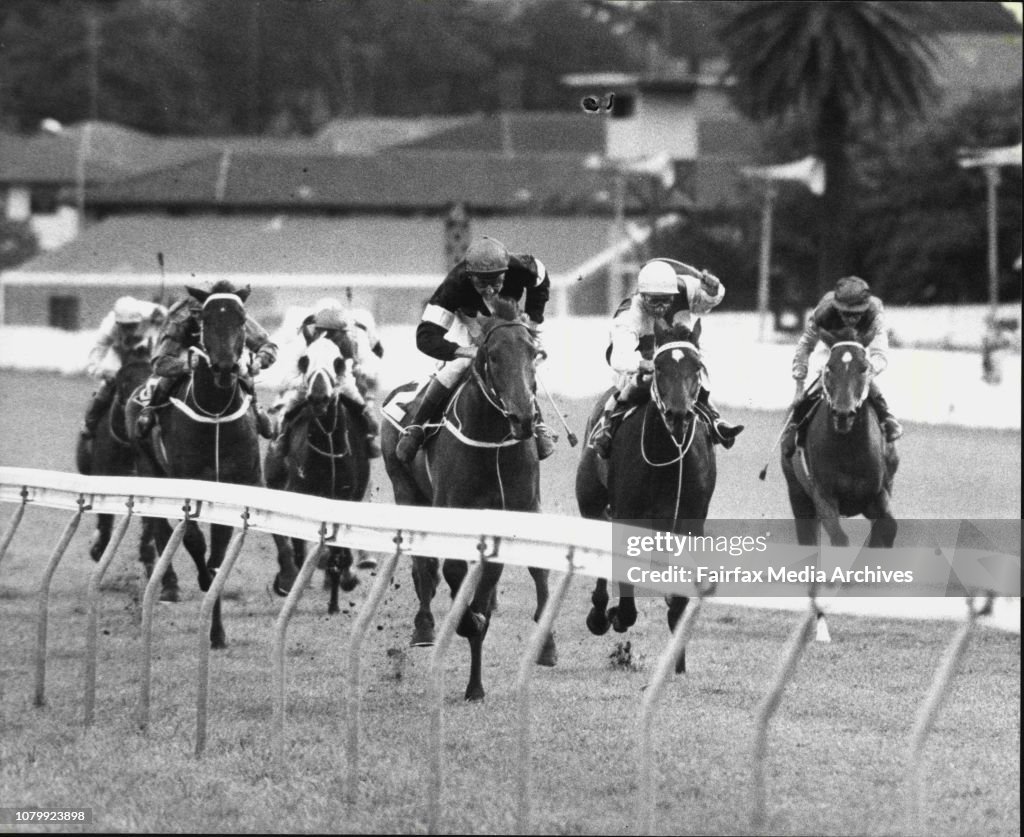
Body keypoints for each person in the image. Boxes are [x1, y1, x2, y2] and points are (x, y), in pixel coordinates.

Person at [394, 234, 556, 463]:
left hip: (504, 319)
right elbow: (425, 337)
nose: (489, 290)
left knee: (516, 361)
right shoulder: (455, 284)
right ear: (470, 276)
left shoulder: (523, 266)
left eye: (496, 282)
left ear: (506, 272)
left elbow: (541, 280)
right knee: (458, 366)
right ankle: (417, 426)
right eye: (481, 283)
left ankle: (537, 424)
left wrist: (532, 321)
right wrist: (465, 351)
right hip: (470, 321)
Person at [588, 258, 744, 458]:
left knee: (691, 376)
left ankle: (715, 420)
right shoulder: (628, 315)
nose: (661, 307)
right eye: (654, 301)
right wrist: (643, 363)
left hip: (676, 361)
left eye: (667, 300)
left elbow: (706, 302)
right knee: (637, 384)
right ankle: (608, 424)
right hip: (641, 366)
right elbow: (619, 358)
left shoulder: (684, 287)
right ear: (642, 295)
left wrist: (714, 290)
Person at [135, 280, 278, 439]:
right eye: (194, 314)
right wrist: (184, 365)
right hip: (187, 351)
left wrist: (259, 361)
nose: (198, 319)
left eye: (201, 314)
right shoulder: (179, 319)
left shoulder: (229, 312)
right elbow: (160, 362)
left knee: (243, 369)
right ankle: (151, 409)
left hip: (219, 353)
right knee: (167, 379)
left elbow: (268, 345)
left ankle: (256, 408)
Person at [782, 275, 903, 456]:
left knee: (856, 378)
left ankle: (886, 418)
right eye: (845, 314)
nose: (851, 319)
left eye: (857, 314)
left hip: (861, 347)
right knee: (820, 383)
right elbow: (805, 346)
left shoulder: (875, 313)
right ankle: (795, 426)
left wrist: (866, 373)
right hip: (831, 345)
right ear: (836, 307)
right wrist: (799, 385)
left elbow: (880, 353)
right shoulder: (822, 313)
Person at [268, 302, 382, 464]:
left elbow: (360, 369)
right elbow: (289, 374)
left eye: (334, 333)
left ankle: (368, 438)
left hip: (341, 383)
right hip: (306, 384)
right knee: (288, 407)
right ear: (318, 330)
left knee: (361, 406)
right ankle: (282, 439)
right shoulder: (304, 341)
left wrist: (360, 370)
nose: (330, 337)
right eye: (326, 332)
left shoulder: (349, 341)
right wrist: (303, 382)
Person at [80, 296, 167, 440]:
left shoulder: (151, 311)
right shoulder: (107, 329)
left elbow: (168, 314)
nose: (130, 330)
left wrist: (163, 318)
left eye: (133, 325)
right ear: (117, 323)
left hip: (145, 348)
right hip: (118, 352)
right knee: (107, 386)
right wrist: (104, 373)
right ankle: (90, 422)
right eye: (126, 327)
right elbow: (92, 363)